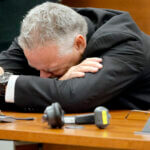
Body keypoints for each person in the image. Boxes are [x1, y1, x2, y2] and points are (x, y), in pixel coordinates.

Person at [0, 2, 150, 113]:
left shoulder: (126, 44)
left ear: (79, 43)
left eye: (51, 70)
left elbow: (74, 98)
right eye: (35, 69)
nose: (43, 77)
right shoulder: (38, 36)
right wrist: (60, 83)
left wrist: (3, 82)